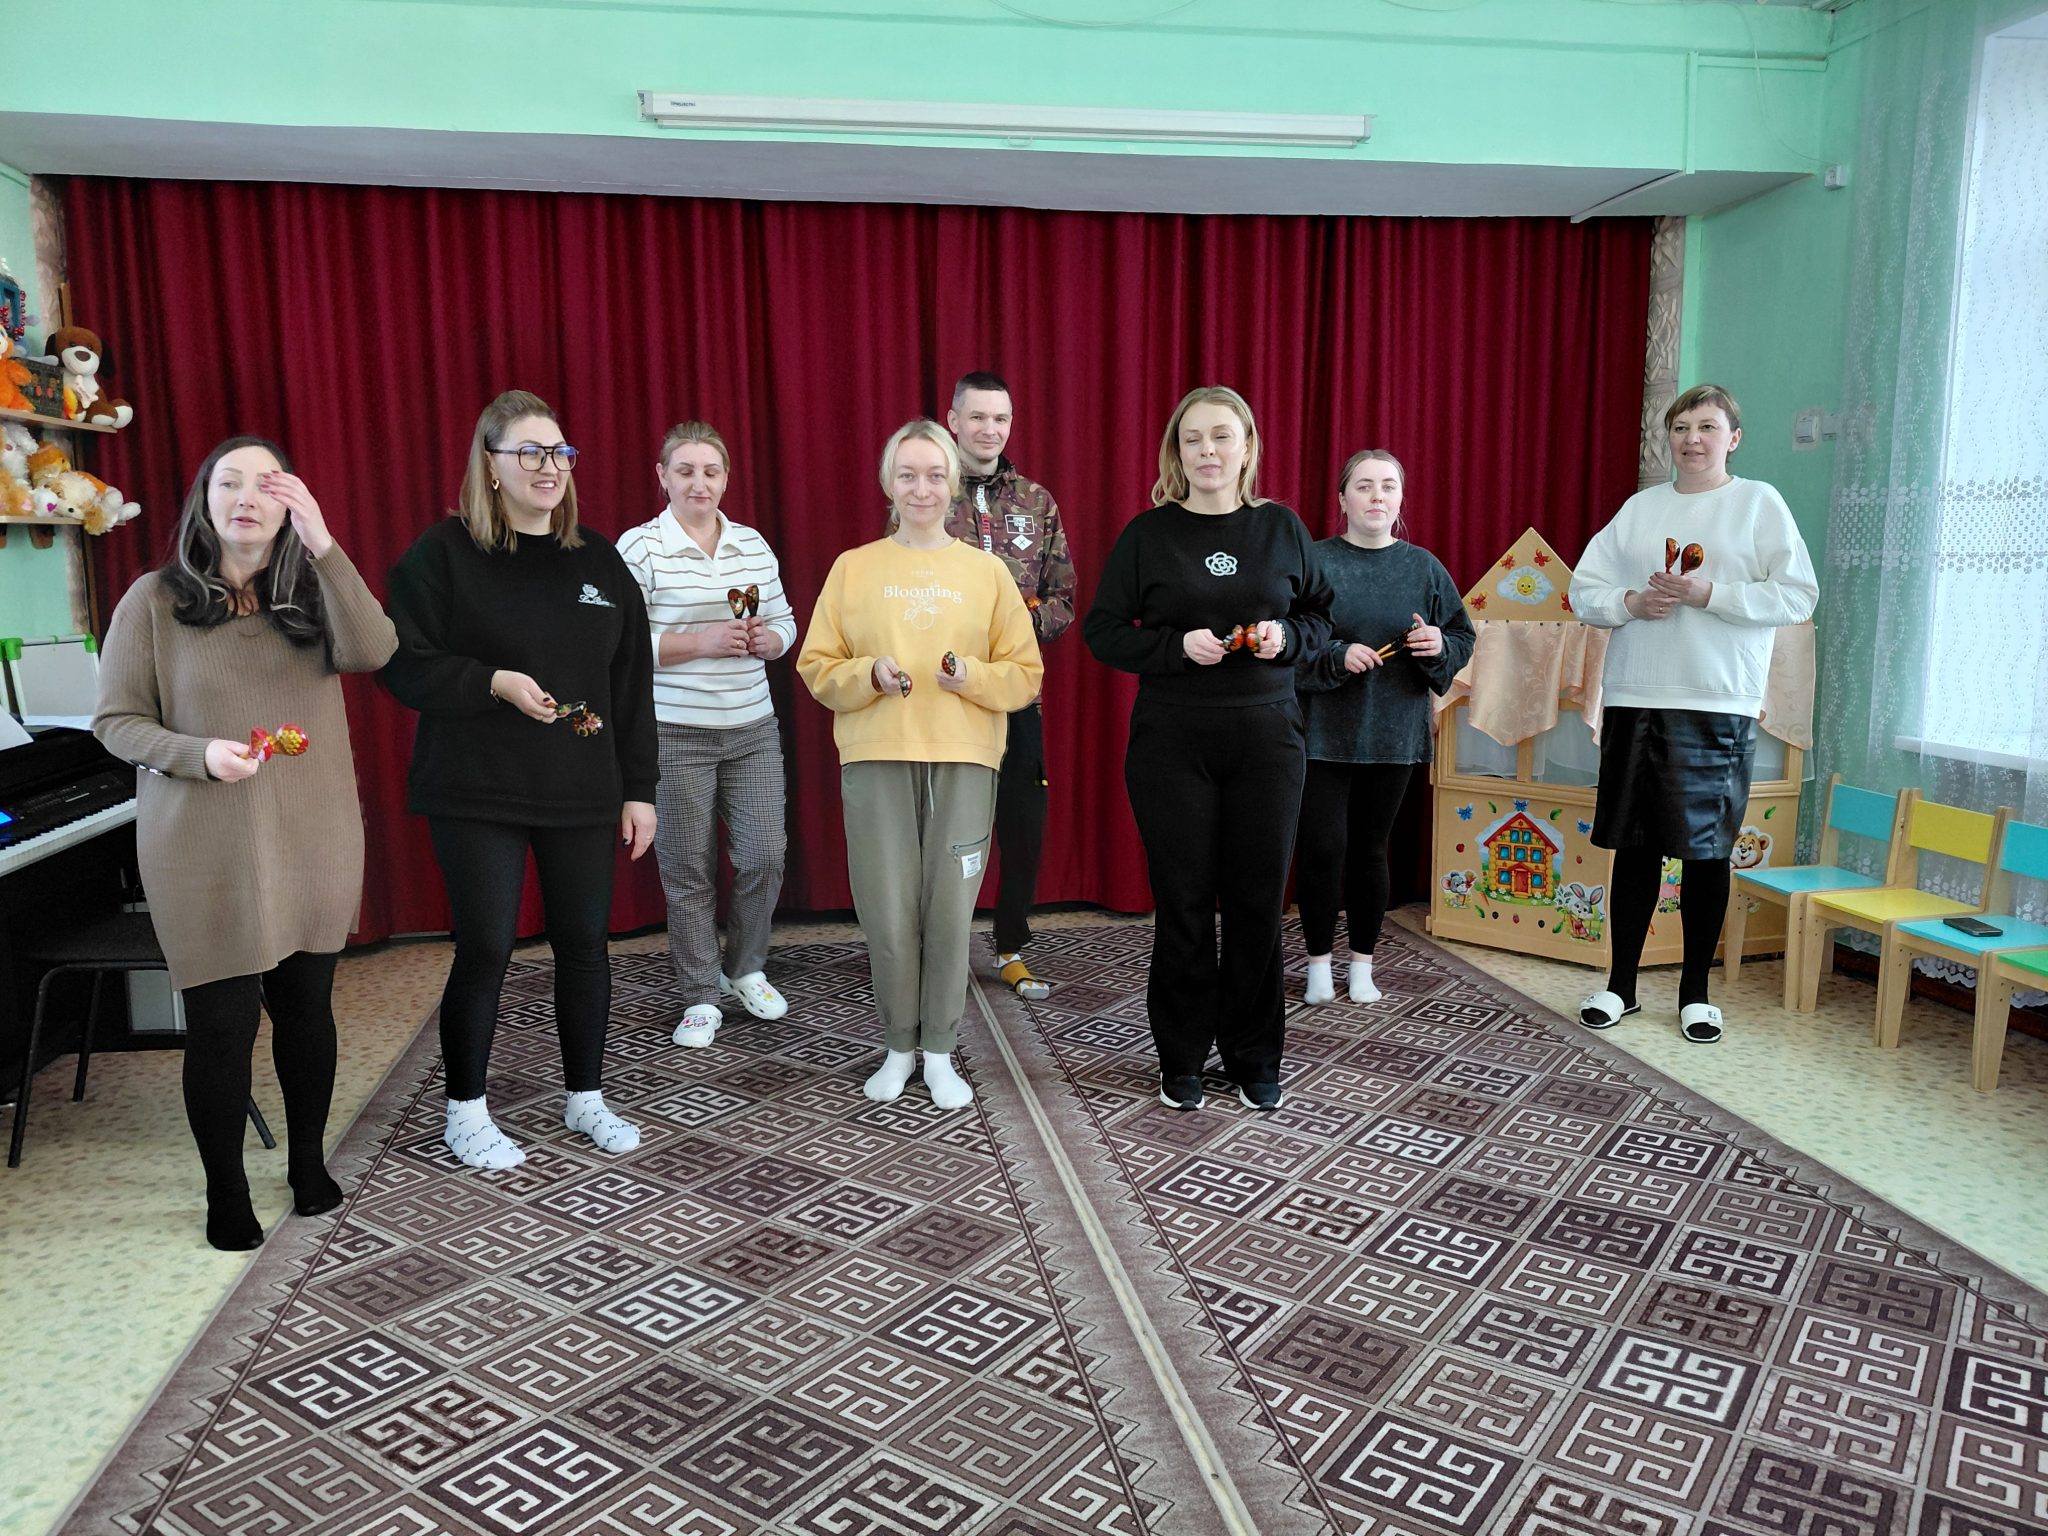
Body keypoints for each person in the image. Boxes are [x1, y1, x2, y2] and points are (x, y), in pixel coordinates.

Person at [94, 436, 398, 1250]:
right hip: (204, 842)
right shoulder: (153, 601)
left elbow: (376, 650)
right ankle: (224, 1191)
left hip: (313, 833)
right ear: (205, 500)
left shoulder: (314, 593)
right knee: (222, 1026)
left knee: (307, 1011)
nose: (247, 498)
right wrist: (199, 755)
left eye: (268, 485)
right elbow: (116, 722)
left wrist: (324, 544)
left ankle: (306, 1162)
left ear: (289, 504)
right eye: (229, 483)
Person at [382, 389, 658, 1169]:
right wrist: (491, 682)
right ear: (491, 464)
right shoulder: (443, 553)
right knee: (487, 947)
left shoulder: (598, 560)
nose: (549, 467)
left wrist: (639, 789)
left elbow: (631, 684)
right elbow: (401, 662)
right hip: (477, 788)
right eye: (529, 453)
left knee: (585, 947)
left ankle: (585, 1097)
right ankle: (465, 1112)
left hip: (581, 786)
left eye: (559, 453)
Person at [1083, 386, 1333, 1113]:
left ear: (1247, 447)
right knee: (1184, 903)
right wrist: (1172, 647)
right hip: (1172, 741)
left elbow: (1321, 617)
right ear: (1177, 451)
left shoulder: (1282, 528)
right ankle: (1183, 1056)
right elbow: (1104, 631)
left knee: (1257, 904)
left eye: (1222, 436)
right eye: (1193, 438)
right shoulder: (1147, 535)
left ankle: (1255, 1056)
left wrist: (1290, 637)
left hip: (1269, 739)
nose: (1208, 451)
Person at [797, 420, 1042, 1110]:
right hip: (877, 755)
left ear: (953, 482)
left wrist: (973, 679)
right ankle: (897, 1046)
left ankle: (939, 1050)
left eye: (935, 475)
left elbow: (1023, 673)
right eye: (908, 474)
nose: (922, 488)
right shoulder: (854, 567)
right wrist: (868, 675)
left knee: (948, 914)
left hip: (964, 758)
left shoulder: (987, 573)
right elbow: (817, 666)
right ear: (889, 483)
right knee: (887, 912)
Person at [1570, 383, 1818, 1044]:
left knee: (1706, 854)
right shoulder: (1640, 508)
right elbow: (1584, 590)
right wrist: (1629, 603)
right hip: (1635, 697)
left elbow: (1798, 595)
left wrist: (1711, 594)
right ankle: (1620, 986)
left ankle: (1695, 995)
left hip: (1717, 700)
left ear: (1733, 438)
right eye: (1681, 427)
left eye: (1707, 427)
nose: (1692, 439)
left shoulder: (1758, 503)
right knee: (1635, 849)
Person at [618, 422, 795, 1049]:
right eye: (685, 470)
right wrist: (702, 642)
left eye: (711, 471)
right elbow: (621, 645)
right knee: (688, 869)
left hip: (752, 729)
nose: (700, 483)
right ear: (662, 477)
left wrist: (771, 640)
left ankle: (744, 969)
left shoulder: (753, 544)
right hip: (674, 733)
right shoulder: (639, 548)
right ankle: (699, 994)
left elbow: (785, 622)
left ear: (725, 479)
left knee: (765, 855)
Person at [1295, 449, 1476, 1005]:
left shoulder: (1424, 567)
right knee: (1322, 849)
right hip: (1321, 733)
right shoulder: (1313, 561)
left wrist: (1438, 644)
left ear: (1400, 500)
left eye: (1388, 486)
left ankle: (1363, 965)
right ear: (1342, 498)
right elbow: (1286, 639)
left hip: (1393, 734)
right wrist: (1335, 655)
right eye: (1365, 485)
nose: (1377, 496)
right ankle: (1318, 965)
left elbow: (1461, 637)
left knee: (1371, 851)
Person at [941, 371, 1075, 1001]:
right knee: (946, 826)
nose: (989, 429)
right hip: (945, 695)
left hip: (1018, 693)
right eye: (977, 417)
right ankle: (937, 945)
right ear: (953, 421)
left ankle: (1011, 946)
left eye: (1000, 418)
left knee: (1023, 823)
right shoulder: (928, 492)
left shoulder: (1036, 501)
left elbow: (1064, 599)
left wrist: (1022, 626)